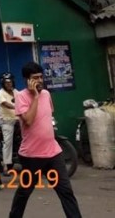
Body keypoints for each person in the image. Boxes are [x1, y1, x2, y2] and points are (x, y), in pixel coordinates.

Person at [9, 63, 82, 218]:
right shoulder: (21, 97)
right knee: (24, 192)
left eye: (41, 77)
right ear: (26, 80)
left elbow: (47, 117)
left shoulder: (47, 95)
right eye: (35, 78)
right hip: (31, 156)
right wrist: (35, 96)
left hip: (53, 153)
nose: (40, 81)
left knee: (65, 191)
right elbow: (28, 120)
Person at [0, 72, 18, 173]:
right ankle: (6, 164)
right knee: (8, 142)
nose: (9, 84)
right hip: (7, 121)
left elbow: (24, 99)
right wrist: (16, 107)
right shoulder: (0, 93)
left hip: (19, 119)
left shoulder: (16, 92)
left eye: (10, 82)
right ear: (3, 84)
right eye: (6, 83)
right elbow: (4, 103)